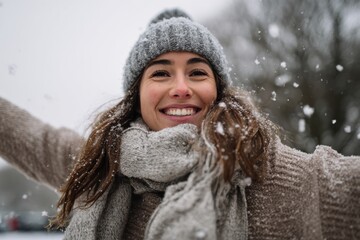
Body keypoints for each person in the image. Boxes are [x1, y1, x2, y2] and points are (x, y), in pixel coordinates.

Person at [0, 8, 359, 240]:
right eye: (160, 73)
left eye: (197, 72)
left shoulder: (265, 171)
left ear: (217, 89)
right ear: (136, 95)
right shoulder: (100, 167)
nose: (181, 88)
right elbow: (22, 133)